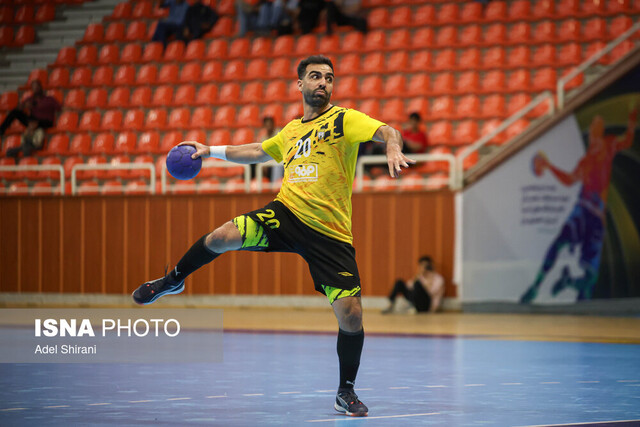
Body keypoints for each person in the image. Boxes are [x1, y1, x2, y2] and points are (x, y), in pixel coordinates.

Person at [132, 55, 414, 417]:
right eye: (315, 76)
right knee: (221, 236)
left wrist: (392, 146)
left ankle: (345, 391)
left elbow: (387, 130)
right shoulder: (291, 131)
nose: (323, 82)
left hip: (329, 232)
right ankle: (173, 280)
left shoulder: (344, 119)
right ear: (300, 84)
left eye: (329, 78)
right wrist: (209, 151)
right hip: (286, 214)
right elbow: (254, 151)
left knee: (352, 315)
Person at [520, 107, 637, 303]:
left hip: (596, 217)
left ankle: (569, 282)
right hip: (582, 210)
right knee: (558, 243)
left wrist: (631, 123)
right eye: (593, 129)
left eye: (597, 128)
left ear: (599, 132)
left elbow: (626, 141)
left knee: (590, 279)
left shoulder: (608, 145)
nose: (593, 132)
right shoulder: (585, 161)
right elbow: (569, 180)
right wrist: (549, 166)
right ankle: (536, 286)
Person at [1, 80, 61, 160]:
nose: (36, 89)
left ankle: (31, 138)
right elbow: (19, 108)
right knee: (15, 112)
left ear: (41, 87)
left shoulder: (49, 99)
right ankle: (1, 130)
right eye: (34, 87)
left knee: (35, 123)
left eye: (37, 86)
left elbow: (60, 108)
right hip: (32, 121)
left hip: (46, 122)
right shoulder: (30, 99)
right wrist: (24, 106)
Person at [257, 116, 284, 183]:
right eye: (267, 125)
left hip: (279, 159)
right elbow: (261, 153)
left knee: (277, 165)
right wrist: (264, 163)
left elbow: (280, 151)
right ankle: (259, 185)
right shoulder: (263, 138)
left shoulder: (279, 134)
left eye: (270, 124)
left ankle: (275, 186)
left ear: (273, 124)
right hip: (268, 161)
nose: (268, 126)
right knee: (257, 164)